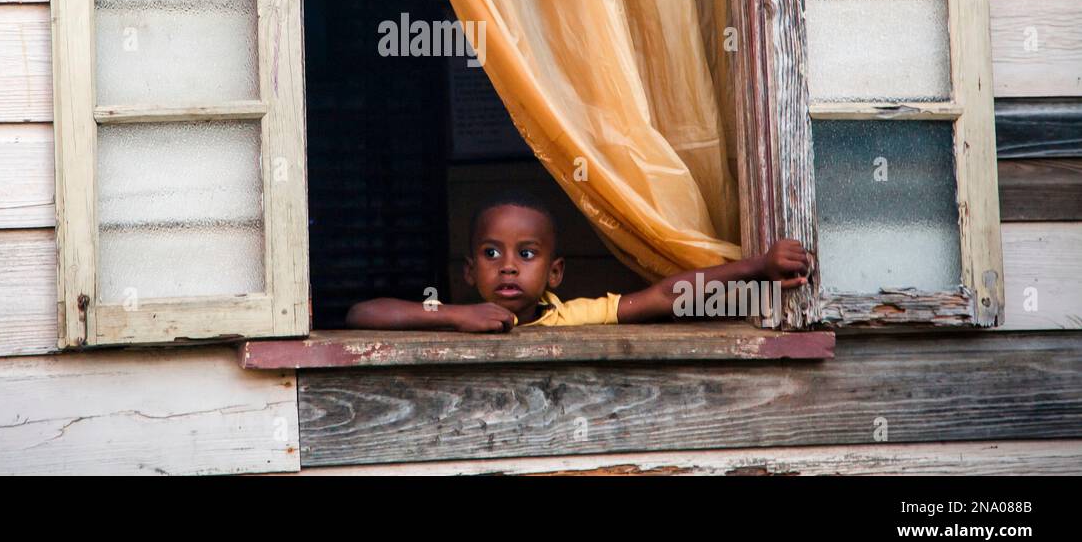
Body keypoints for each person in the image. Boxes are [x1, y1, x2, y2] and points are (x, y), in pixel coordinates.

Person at [345, 191, 810, 331]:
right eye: (491, 253)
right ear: (469, 271)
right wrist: (456, 315)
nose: (508, 266)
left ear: (555, 272)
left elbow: (664, 294)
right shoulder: (452, 317)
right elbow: (360, 314)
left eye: (526, 254)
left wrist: (755, 267)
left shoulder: (572, 317)